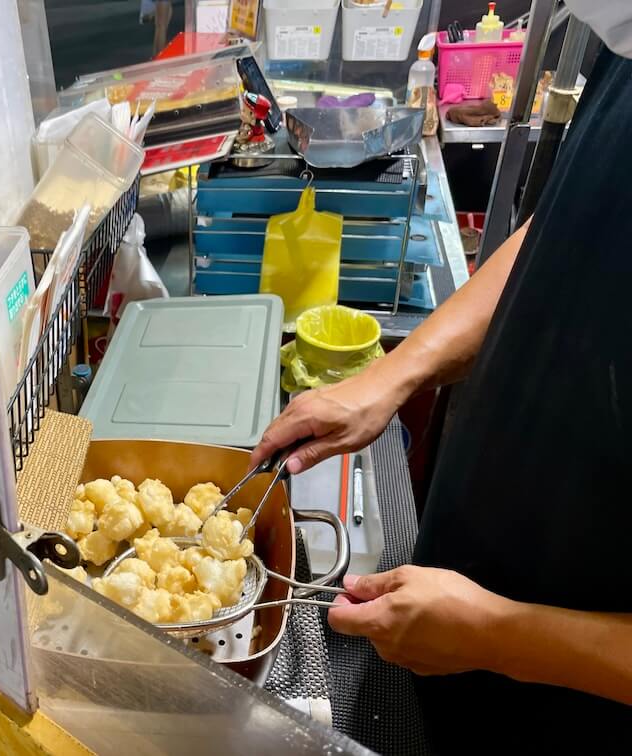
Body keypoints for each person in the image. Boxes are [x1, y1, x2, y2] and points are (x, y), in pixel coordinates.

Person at [250, 4, 632, 752]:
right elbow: (560, 229)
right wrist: (392, 376)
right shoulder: (623, 53)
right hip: (461, 611)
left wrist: (502, 635)